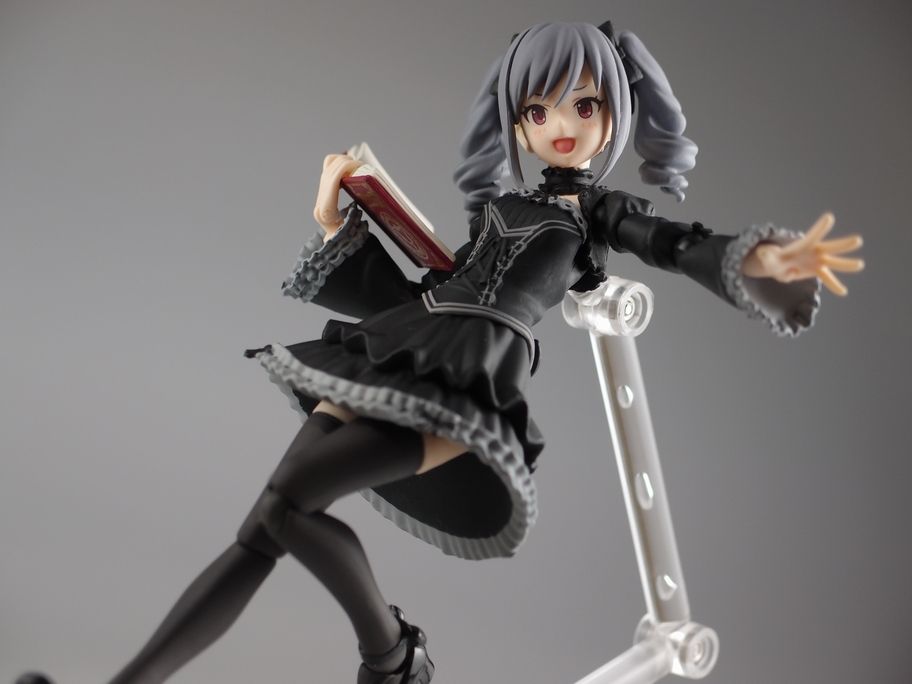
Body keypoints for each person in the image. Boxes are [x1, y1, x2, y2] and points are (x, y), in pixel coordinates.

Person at [18, 20, 862, 684]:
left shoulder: (596, 216)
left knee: (291, 505)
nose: (560, 127)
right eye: (538, 111)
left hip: (465, 377)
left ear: (613, 111)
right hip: (407, 341)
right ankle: (369, 663)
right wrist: (339, 221)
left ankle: (393, 659)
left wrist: (763, 261)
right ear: (518, 121)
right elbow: (439, 286)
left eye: (582, 106)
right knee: (268, 519)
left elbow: (675, 244)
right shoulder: (498, 210)